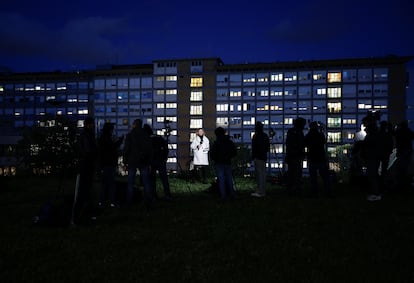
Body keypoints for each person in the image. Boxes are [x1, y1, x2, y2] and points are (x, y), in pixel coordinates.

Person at [72, 117, 98, 225]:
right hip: (86, 166)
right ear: (88, 125)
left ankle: (85, 213)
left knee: (85, 190)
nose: (94, 126)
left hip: (85, 165)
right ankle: (78, 216)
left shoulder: (85, 135)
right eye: (92, 124)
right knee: (84, 190)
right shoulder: (87, 136)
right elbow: (88, 151)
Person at [123, 119, 153, 207]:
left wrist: (125, 161)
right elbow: (149, 150)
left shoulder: (130, 135)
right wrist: (149, 162)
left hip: (132, 161)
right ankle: (148, 200)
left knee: (130, 182)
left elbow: (126, 149)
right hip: (143, 161)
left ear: (134, 124)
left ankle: (129, 201)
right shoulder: (145, 135)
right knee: (146, 181)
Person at [143, 124, 172, 201]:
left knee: (152, 179)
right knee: (164, 178)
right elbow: (165, 147)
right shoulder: (158, 137)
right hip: (161, 160)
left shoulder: (147, 140)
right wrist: (165, 157)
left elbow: (146, 152)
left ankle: (153, 196)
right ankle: (167, 195)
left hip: (152, 161)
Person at [97, 122, 124, 207]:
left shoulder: (103, 138)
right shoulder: (106, 139)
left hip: (105, 164)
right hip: (108, 164)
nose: (112, 131)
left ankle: (102, 201)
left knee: (105, 184)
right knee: (111, 184)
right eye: (112, 129)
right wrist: (120, 141)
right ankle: (112, 201)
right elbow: (112, 148)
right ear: (109, 130)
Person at [304, 121, 331, 197]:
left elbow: (305, 143)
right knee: (325, 177)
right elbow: (324, 141)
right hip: (321, 157)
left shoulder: (308, 135)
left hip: (312, 158)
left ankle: (314, 192)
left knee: (313, 177)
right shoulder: (320, 135)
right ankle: (327, 191)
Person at [210, 127, 237, 201]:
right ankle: (232, 194)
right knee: (229, 178)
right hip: (227, 162)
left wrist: (215, 159)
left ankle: (223, 195)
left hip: (219, 163)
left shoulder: (217, 143)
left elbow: (212, 154)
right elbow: (234, 151)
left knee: (221, 179)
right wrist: (229, 156)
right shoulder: (229, 141)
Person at [361, 116, 382, 201]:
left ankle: (375, 194)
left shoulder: (372, 133)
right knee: (373, 175)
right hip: (373, 156)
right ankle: (375, 192)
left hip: (372, 156)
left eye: (364, 122)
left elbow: (369, 144)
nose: (363, 124)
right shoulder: (374, 131)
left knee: (372, 175)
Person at [285, 117, 306, 196]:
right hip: (296, 156)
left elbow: (288, 144)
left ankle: (291, 188)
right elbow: (301, 144)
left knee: (292, 173)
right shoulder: (299, 132)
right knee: (296, 173)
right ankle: (295, 189)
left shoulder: (291, 131)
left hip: (292, 156)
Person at [393, 120, 414, 193]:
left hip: (401, 152)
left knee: (399, 168)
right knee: (405, 168)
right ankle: (405, 184)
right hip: (407, 151)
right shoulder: (409, 132)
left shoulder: (398, 132)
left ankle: (399, 184)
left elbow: (393, 133)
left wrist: (395, 127)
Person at [251, 121, 270, 198]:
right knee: (263, 174)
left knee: (259, 175)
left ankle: (260, 191)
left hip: (258, 157)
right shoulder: (265, 136)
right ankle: (262, 191)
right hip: (263, 157)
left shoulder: (256, 136)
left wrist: (253, 156)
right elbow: (267, 147)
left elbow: (254, 147)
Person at [377, 121, 394, 193]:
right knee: (384, 170)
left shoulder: (378, 134)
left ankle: (380, 185)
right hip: (385, 155)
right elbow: (391, 144)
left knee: (378, 170)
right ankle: (383, 185)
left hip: (379, 154)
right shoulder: (387, 135)